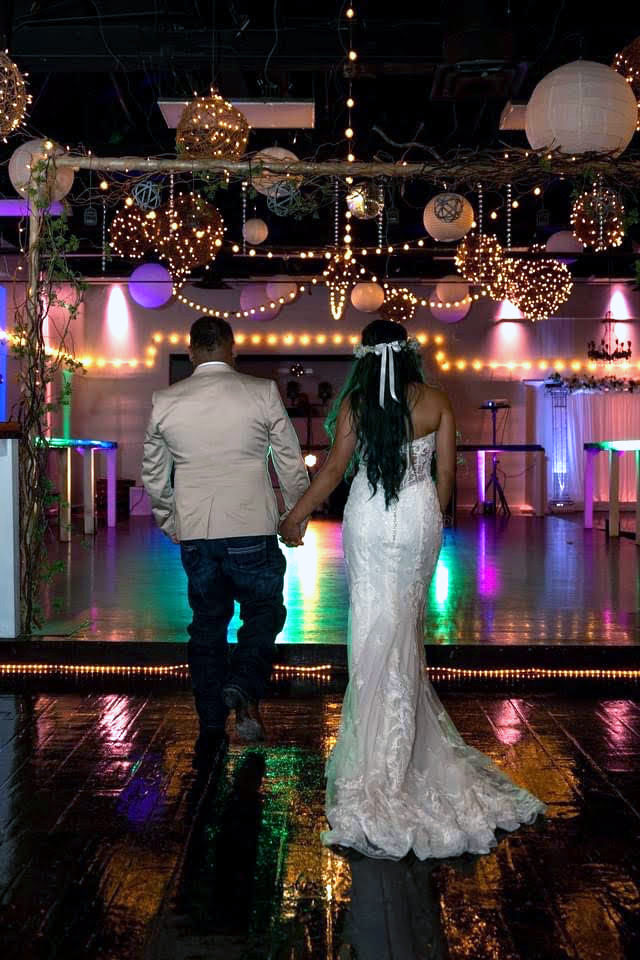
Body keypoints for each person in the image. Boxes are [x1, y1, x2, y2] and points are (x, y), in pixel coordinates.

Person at [279, 318, 544, 860]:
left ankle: (377, 753)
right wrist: (429, 520)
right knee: (405, 626)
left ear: (365, 357)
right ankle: (398, 748)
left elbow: (333, 471)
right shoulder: (437, 401)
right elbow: (446, 481)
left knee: (373, 622)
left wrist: (296, 515)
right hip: (419, 517)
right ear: (408, 355)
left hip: (369, 518)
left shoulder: (357, 405)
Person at [142, 316, 309, 759]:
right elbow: (289, 461)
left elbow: (154, 475)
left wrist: (171, 520)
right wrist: (296, 516)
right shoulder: (261, 392)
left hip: (198, 532)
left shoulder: (166, 400)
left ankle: (212, 723)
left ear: (191, 350)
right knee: (264, 611)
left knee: (207, 625)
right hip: (252, 527)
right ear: (232, 349)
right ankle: (243, 683)